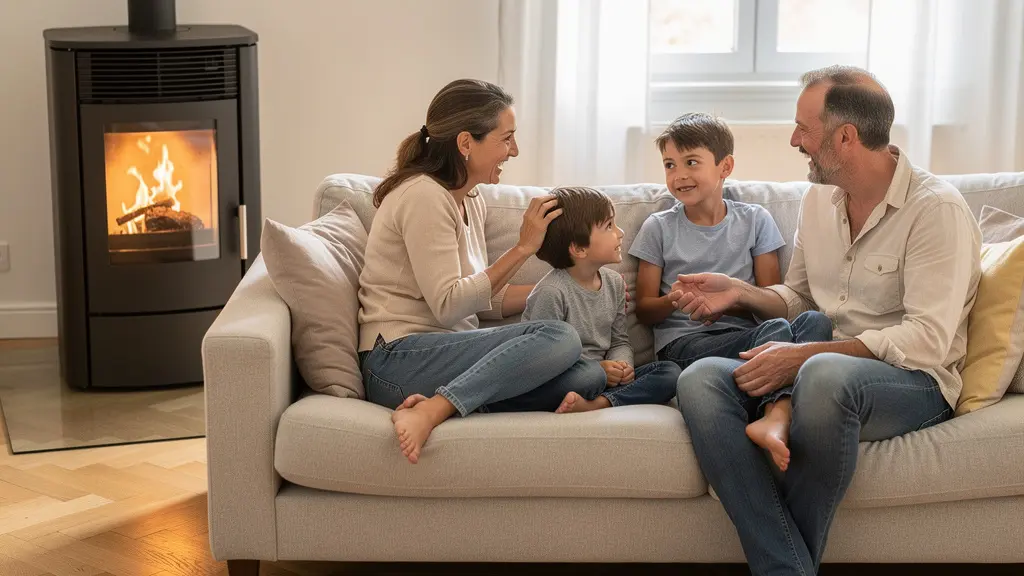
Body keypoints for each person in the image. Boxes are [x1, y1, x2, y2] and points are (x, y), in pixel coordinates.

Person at [669, 66, 982, 575]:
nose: (794, 141)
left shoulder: (935, 210)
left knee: (822, 375)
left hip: (912, 381)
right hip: (818, 364)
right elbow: (799, 297)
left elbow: (927, 340)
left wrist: (804, 356)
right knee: (700, 380)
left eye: (803, 129)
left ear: (845, 136)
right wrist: (740, 293)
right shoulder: (818, 198)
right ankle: (787, 567)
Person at [357, 79, 602, 465]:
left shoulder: (469, 199)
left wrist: (566, 288)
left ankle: (452, 402)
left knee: (587, 378)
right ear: (466, 143)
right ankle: (434, 409)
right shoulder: (423, 196)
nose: (514, 151)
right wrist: (523, 248)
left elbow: (483, 297)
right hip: (397, 360)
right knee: (560, 337)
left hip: (444, 356)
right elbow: (449, 306)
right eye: (506, 139)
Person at [629, 113, 833, 470]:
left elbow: (773, 303)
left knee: (814, 323)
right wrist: (676, 300)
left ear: (725, 166)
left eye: (691, 162)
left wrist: (728, 304)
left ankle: (772, 411)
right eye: (669, 165)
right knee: (778, 335)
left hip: (748, 339)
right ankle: (778, 412)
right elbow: (645, 310)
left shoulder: (755, 220)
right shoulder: (659, 227)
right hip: (685, 346)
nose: (679, 175)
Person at [520, 186, 681, 413]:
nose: (620, 232)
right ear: (578, 248)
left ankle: (598, 403)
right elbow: (538, 362)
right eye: (609, 226)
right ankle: (600, 394)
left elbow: (619, 341)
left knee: (670, 372)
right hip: (566, 378)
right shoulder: (552, 292)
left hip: (603, 380)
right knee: (589, 377)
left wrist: (622, 365)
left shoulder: (615, 283)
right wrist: (599, 369)